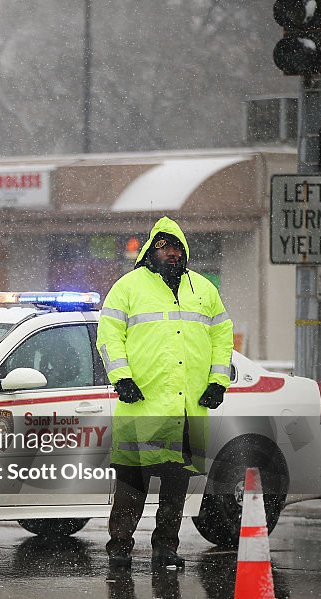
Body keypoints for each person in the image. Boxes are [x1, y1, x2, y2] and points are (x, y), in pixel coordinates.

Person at [97, 216, 233, 569]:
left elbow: (222, 337)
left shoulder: (204, 290)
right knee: (132, 486)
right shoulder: (128, 287)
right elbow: (109, 336)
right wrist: (121, 377)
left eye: (175, 247)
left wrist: (218, 382)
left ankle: (165, 549)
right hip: (141, 407)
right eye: (163, 247)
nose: (171, 253)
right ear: (150, 252)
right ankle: (120, 548)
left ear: (183, 251)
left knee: (175, 487)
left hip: (187, 410)